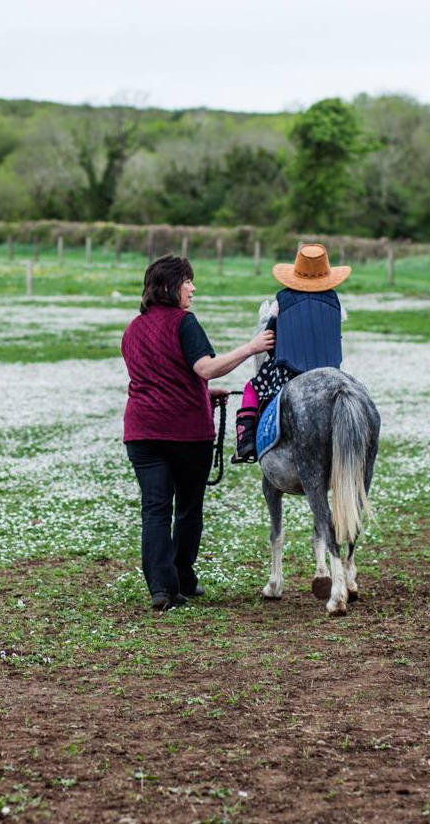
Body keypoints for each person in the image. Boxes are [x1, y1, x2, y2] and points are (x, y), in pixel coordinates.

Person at [121, 255, 274, 610]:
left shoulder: (132, 328)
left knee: (155, 509)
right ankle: (183, 579)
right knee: (188, 508)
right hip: (185, 434)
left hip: (142, 432)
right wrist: (251, 347)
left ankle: (162, 588)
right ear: (170, 286)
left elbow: (158, 378)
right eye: (188, 281)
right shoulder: (184, 323)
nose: (193, 288)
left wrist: (201, 394)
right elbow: (205, 367)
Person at [232, 243, 351, 463]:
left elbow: (268, 339)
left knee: (252, 388)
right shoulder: (334, 300)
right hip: (328, 371)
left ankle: (245, 442)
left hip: (289, 373)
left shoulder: (282, 300)